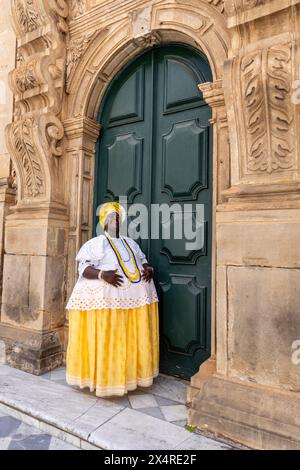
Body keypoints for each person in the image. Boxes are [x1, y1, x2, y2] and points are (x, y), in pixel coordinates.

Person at [66, 202, 159, 397]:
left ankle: (131, 377)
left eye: (117, 217)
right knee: (110, 338)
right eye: (110, 217)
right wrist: (102, 275)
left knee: (130, 338)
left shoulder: (130, 243)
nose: (114, 220)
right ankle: (105, 380)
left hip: (135, 299)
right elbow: (83, 269)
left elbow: (143, 260)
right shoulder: (96, 243)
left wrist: (149, 269)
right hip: (107, 302)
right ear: (104, 222)